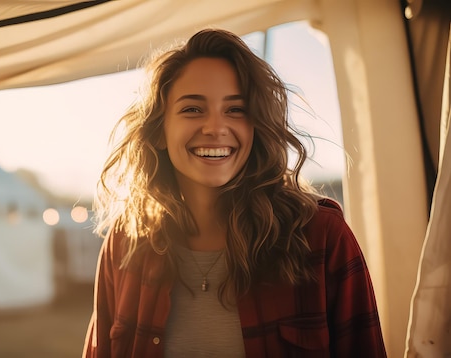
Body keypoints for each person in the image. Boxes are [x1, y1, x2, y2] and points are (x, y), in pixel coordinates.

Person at [82, 28, 386, 357]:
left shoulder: (323, 237)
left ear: (256, 126)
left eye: (236, 110)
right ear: (158, 131)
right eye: (192, 109)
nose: (215, 127)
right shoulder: (126, 243)